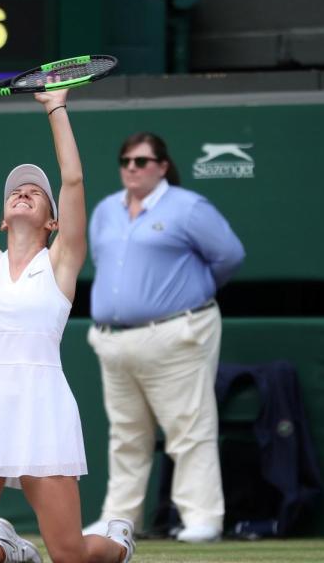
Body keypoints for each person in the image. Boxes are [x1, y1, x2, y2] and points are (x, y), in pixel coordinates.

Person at [0, 80, 134, 563]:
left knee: (68, 554)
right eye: (15, 191)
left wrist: (56, 107)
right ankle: (9, 551)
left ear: (52, 221)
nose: (24, 192)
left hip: (41, 409)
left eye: (34, 192)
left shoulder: (63, 261)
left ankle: (118, 544)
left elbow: (72, 182)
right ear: (3, 220)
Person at [82, 132, 245, 543]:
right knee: (126, 434)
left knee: (189, 428)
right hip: (115, 341)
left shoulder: (188, 208)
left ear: (162, 165)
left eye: (140, 161)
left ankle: (202, 518)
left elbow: (229, 256)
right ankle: (120, 519)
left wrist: (189, 292)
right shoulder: (105, 211)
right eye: (125, 161)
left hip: (176, 334)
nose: (131, 169)